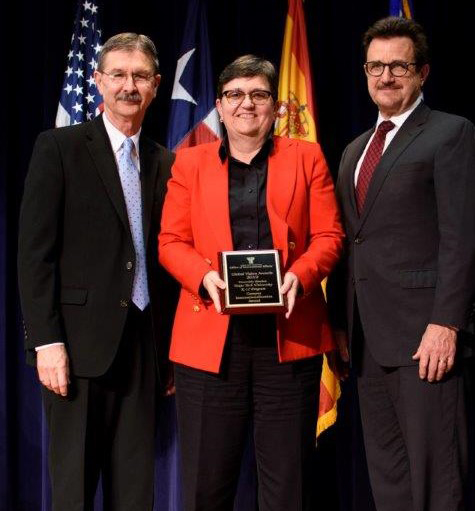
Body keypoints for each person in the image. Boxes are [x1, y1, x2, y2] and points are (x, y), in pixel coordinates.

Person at [158, 55, 343, 511]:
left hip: (289, 341)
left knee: (288, 488)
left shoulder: (307, 157)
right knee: (207, 487)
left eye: (259, 94)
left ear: (275, 108)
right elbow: (170, 242)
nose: (247, 104)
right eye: (235, 95)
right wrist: (205, 278)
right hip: (210, 345)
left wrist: (299, 277)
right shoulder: (189, 163)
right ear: (219, 106)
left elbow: (330, 236)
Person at [326, 17, 475, 511]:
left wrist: (446, 322)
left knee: (437, 483)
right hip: (368, 341)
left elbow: (465, 238)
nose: (386, 76)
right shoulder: (355, 150)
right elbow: (352, 242)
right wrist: (338, 324)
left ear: (422, 73)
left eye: (399, 65)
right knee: (390, 479)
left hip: (426, 340)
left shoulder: (451, 133)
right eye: (376, 66)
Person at [18, 33, 177, 510]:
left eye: (140, 76)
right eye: (118, 75)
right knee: (74, 492)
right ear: (98, 81)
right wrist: (47, 342)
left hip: (144, 350)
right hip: (77, 350)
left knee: (135, 493)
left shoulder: (165, 162)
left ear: (155, 85)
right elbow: (34, 254)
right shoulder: (59, 148)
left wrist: (167, 350)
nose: (129, 85)